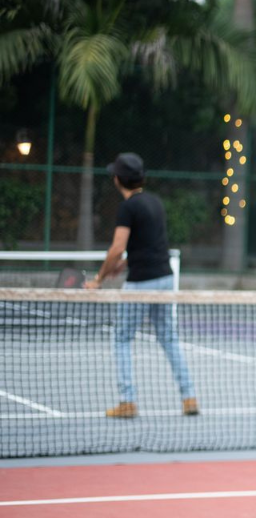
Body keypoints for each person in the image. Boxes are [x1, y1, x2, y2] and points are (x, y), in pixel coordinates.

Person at [84, 153, 198, 419]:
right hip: (165, 277)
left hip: (141, 283)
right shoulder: (155, 203)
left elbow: (117, 248)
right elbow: (145, 246)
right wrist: (122, 265)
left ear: (117, 180)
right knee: (169, 338)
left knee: (122, 338)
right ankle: (189, 397)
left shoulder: (127, 208)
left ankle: (127, 401)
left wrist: (99, 280)